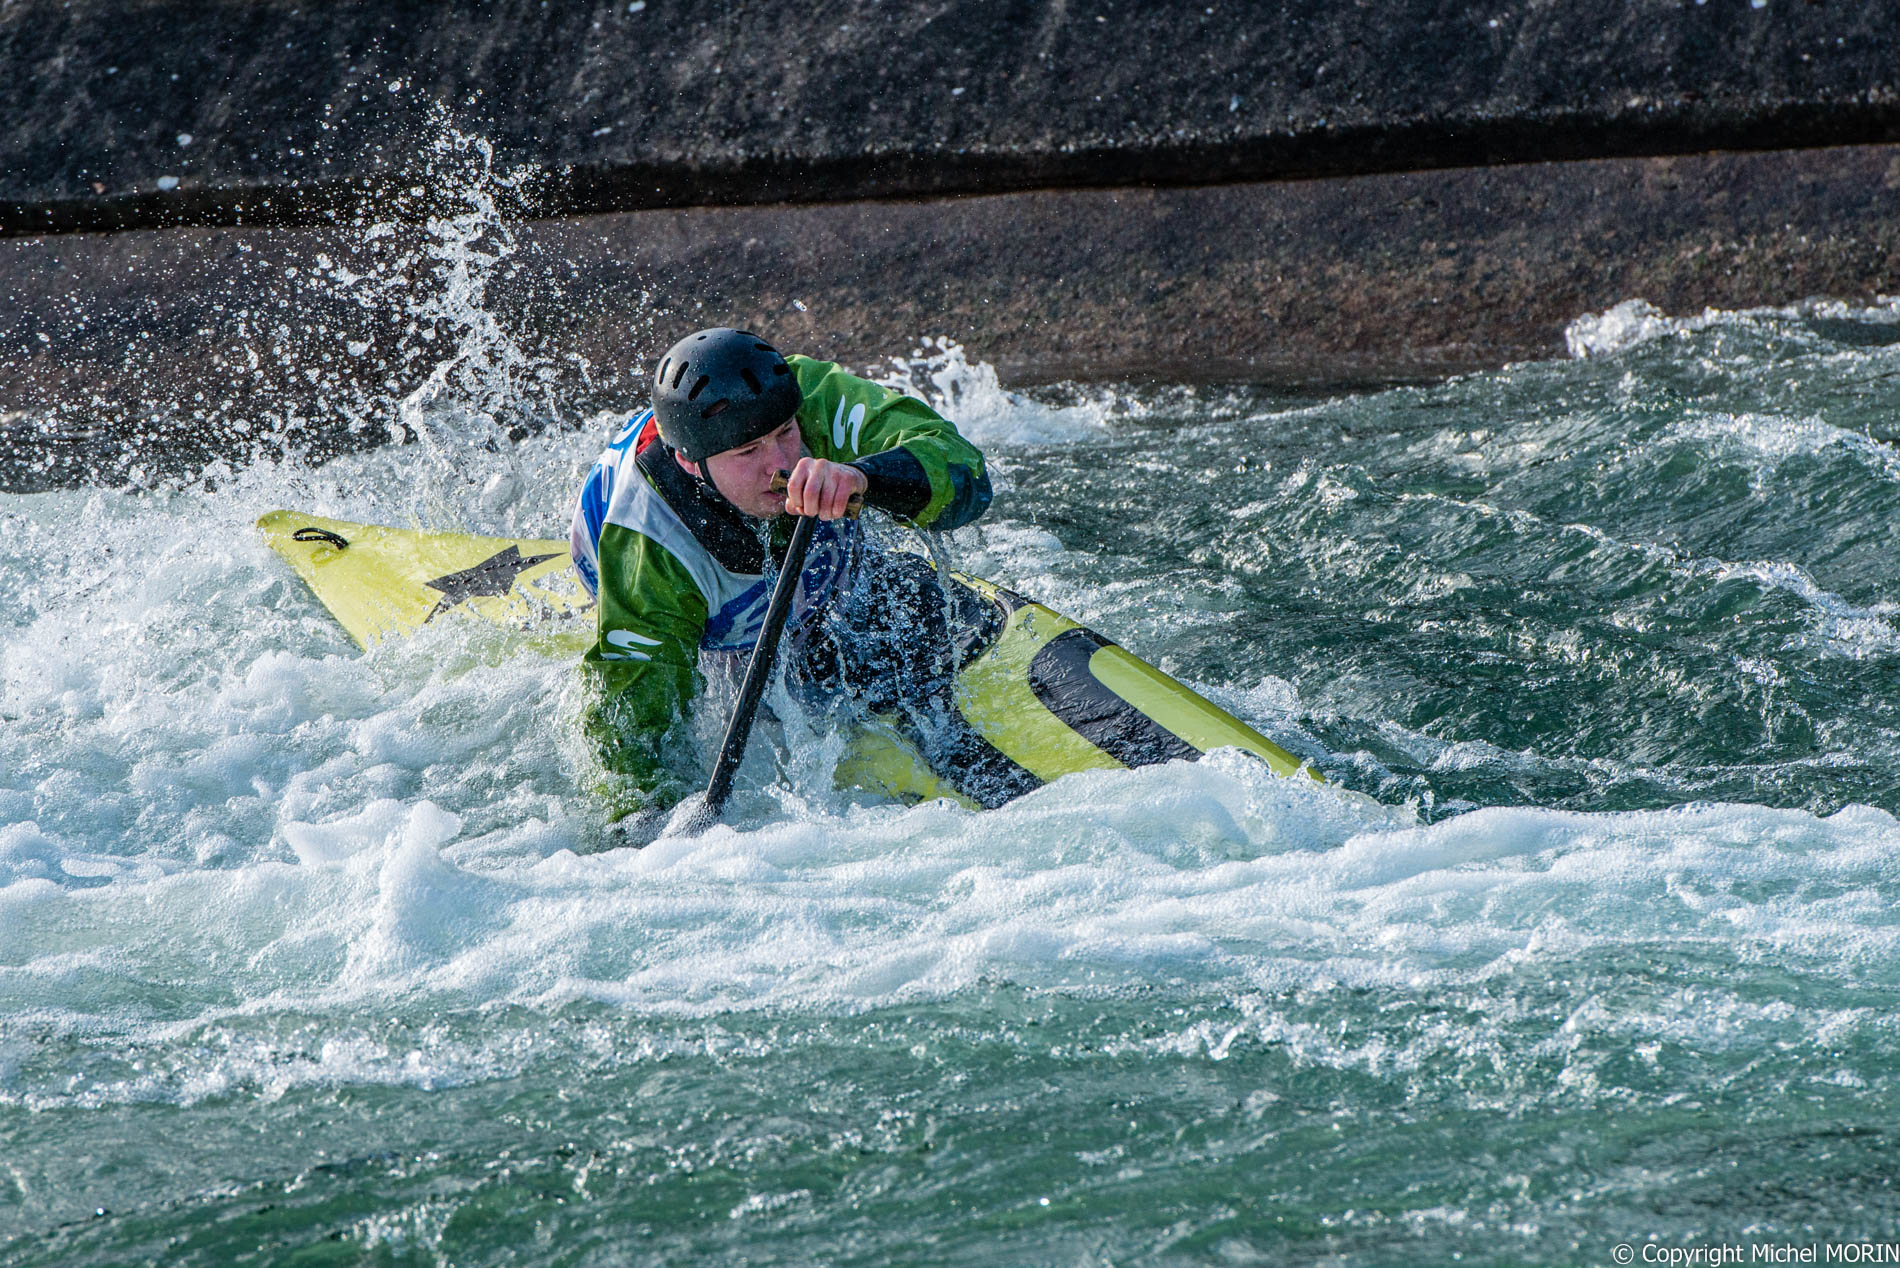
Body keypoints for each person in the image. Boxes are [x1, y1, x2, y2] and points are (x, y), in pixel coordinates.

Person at [569, 327, 1039, 822]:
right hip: (658, 592)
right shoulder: (649, 549)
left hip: (802, 566)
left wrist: (864, 477)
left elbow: (961, 467)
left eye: (785, 433)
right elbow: (634, 740)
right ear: (690, 462)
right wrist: (652, 834)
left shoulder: (806, 395)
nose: (781, 462)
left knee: (900, 611)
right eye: (748, 451)